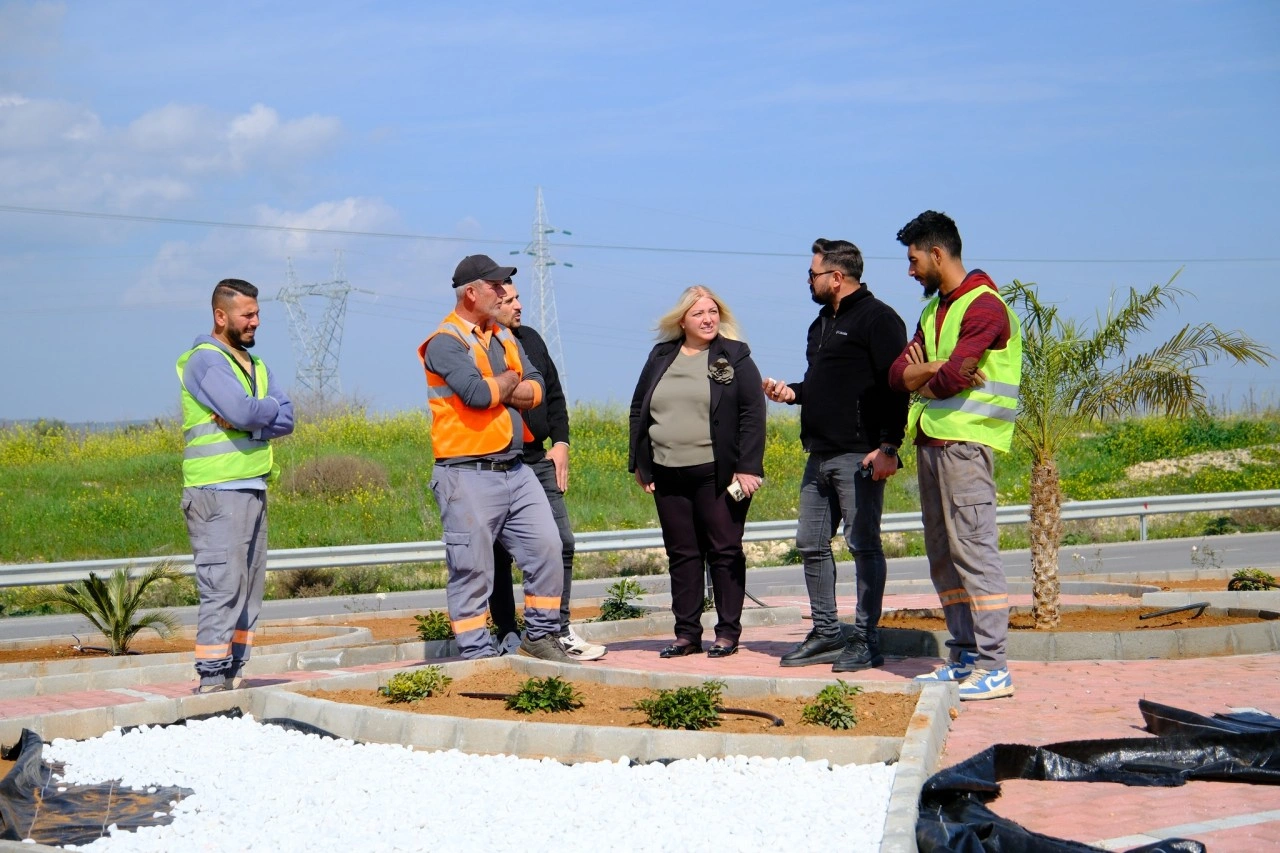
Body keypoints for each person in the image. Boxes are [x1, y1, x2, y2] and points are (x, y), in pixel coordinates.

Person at [888, 210, 1022, 701]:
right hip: (932, 442)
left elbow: (948, 378)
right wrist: (932, 370)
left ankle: (995, 666)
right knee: (943, 556)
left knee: (974, 551)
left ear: (937, 255)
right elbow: (896, 375)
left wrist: (933, 371)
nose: (910, 271)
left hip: (967, 446)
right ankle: (964, 654)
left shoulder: (985, 308)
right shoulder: (932, 312)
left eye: (913, 260)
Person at [762, 239, 909, 672]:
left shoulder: (879, 319)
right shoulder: (820, 323)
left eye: (813, 274)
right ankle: (827, 632)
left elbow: (894, 386)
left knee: (863, 545)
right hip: (819, 455)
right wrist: (793, 394)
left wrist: (889, 446)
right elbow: (826, 386)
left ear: (837, 277)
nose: (808, 281)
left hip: (860, 456)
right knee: (810, 544)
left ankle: (866, 639)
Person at [418, 254, 573, 663]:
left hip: (515, 468)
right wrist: (507, 383)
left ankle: (540, 637)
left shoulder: (505, 337)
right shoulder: (444, 342)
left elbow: (538, 386)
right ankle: (477, 656)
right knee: (472, 571)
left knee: (547, 548)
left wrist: (502, 386)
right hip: (466, 473)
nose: (505, 292)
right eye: (496, 285)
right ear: (472, 293)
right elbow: (477, 394)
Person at [629, 286, 766, 658]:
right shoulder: (661, 356)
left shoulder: (734, 356)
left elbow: (752, 414)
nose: (708, 319)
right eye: (699, 313)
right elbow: (639, 409)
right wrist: (639, 463)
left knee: (724, 551)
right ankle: (687, 635)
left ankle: (727, 633)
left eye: (713, 312)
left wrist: (748, 467)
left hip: (717, 475)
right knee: (682, 554)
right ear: (682, 321)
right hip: (667, 473)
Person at [177, 278, 295, 694]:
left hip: (252, 488)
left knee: (249, 590)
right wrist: (258, 414)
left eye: (257, 313)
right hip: (216, 491)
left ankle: (233, 672)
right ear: (220, 316)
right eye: (248, 314)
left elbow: (286, 418)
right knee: (222, 587)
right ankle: (212, 679)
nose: (256, 322)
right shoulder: (205, 361)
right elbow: (248, 411)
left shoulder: (256, 365)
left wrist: (253, 421)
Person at [486, 282, 606, 661]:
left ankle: (558, 629)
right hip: (496, 459)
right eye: (509, 301)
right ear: (489, 304)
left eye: (518, 298)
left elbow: (553, 394)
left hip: (538, 458)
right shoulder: (479, 347)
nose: (519, 306)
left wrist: (562, 443)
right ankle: (508, 632)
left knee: (563, 541)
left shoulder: (531, 339)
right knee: (498, 554)